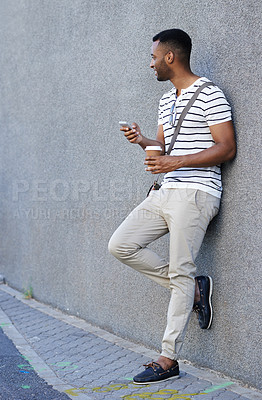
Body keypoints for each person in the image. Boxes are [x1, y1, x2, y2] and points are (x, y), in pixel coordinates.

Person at [108, 29, 236, 384]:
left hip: (196, 193)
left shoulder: (211, 94)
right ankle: (193, 289)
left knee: (182, 270)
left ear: (170, 57)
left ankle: (168, 358)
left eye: (153, 57)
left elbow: (226, 148)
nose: (150, 64)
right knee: (120, 245)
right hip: (164, 192)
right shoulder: (167, 100)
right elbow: (163, 147)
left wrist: (174, 163)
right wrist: (142, 140)